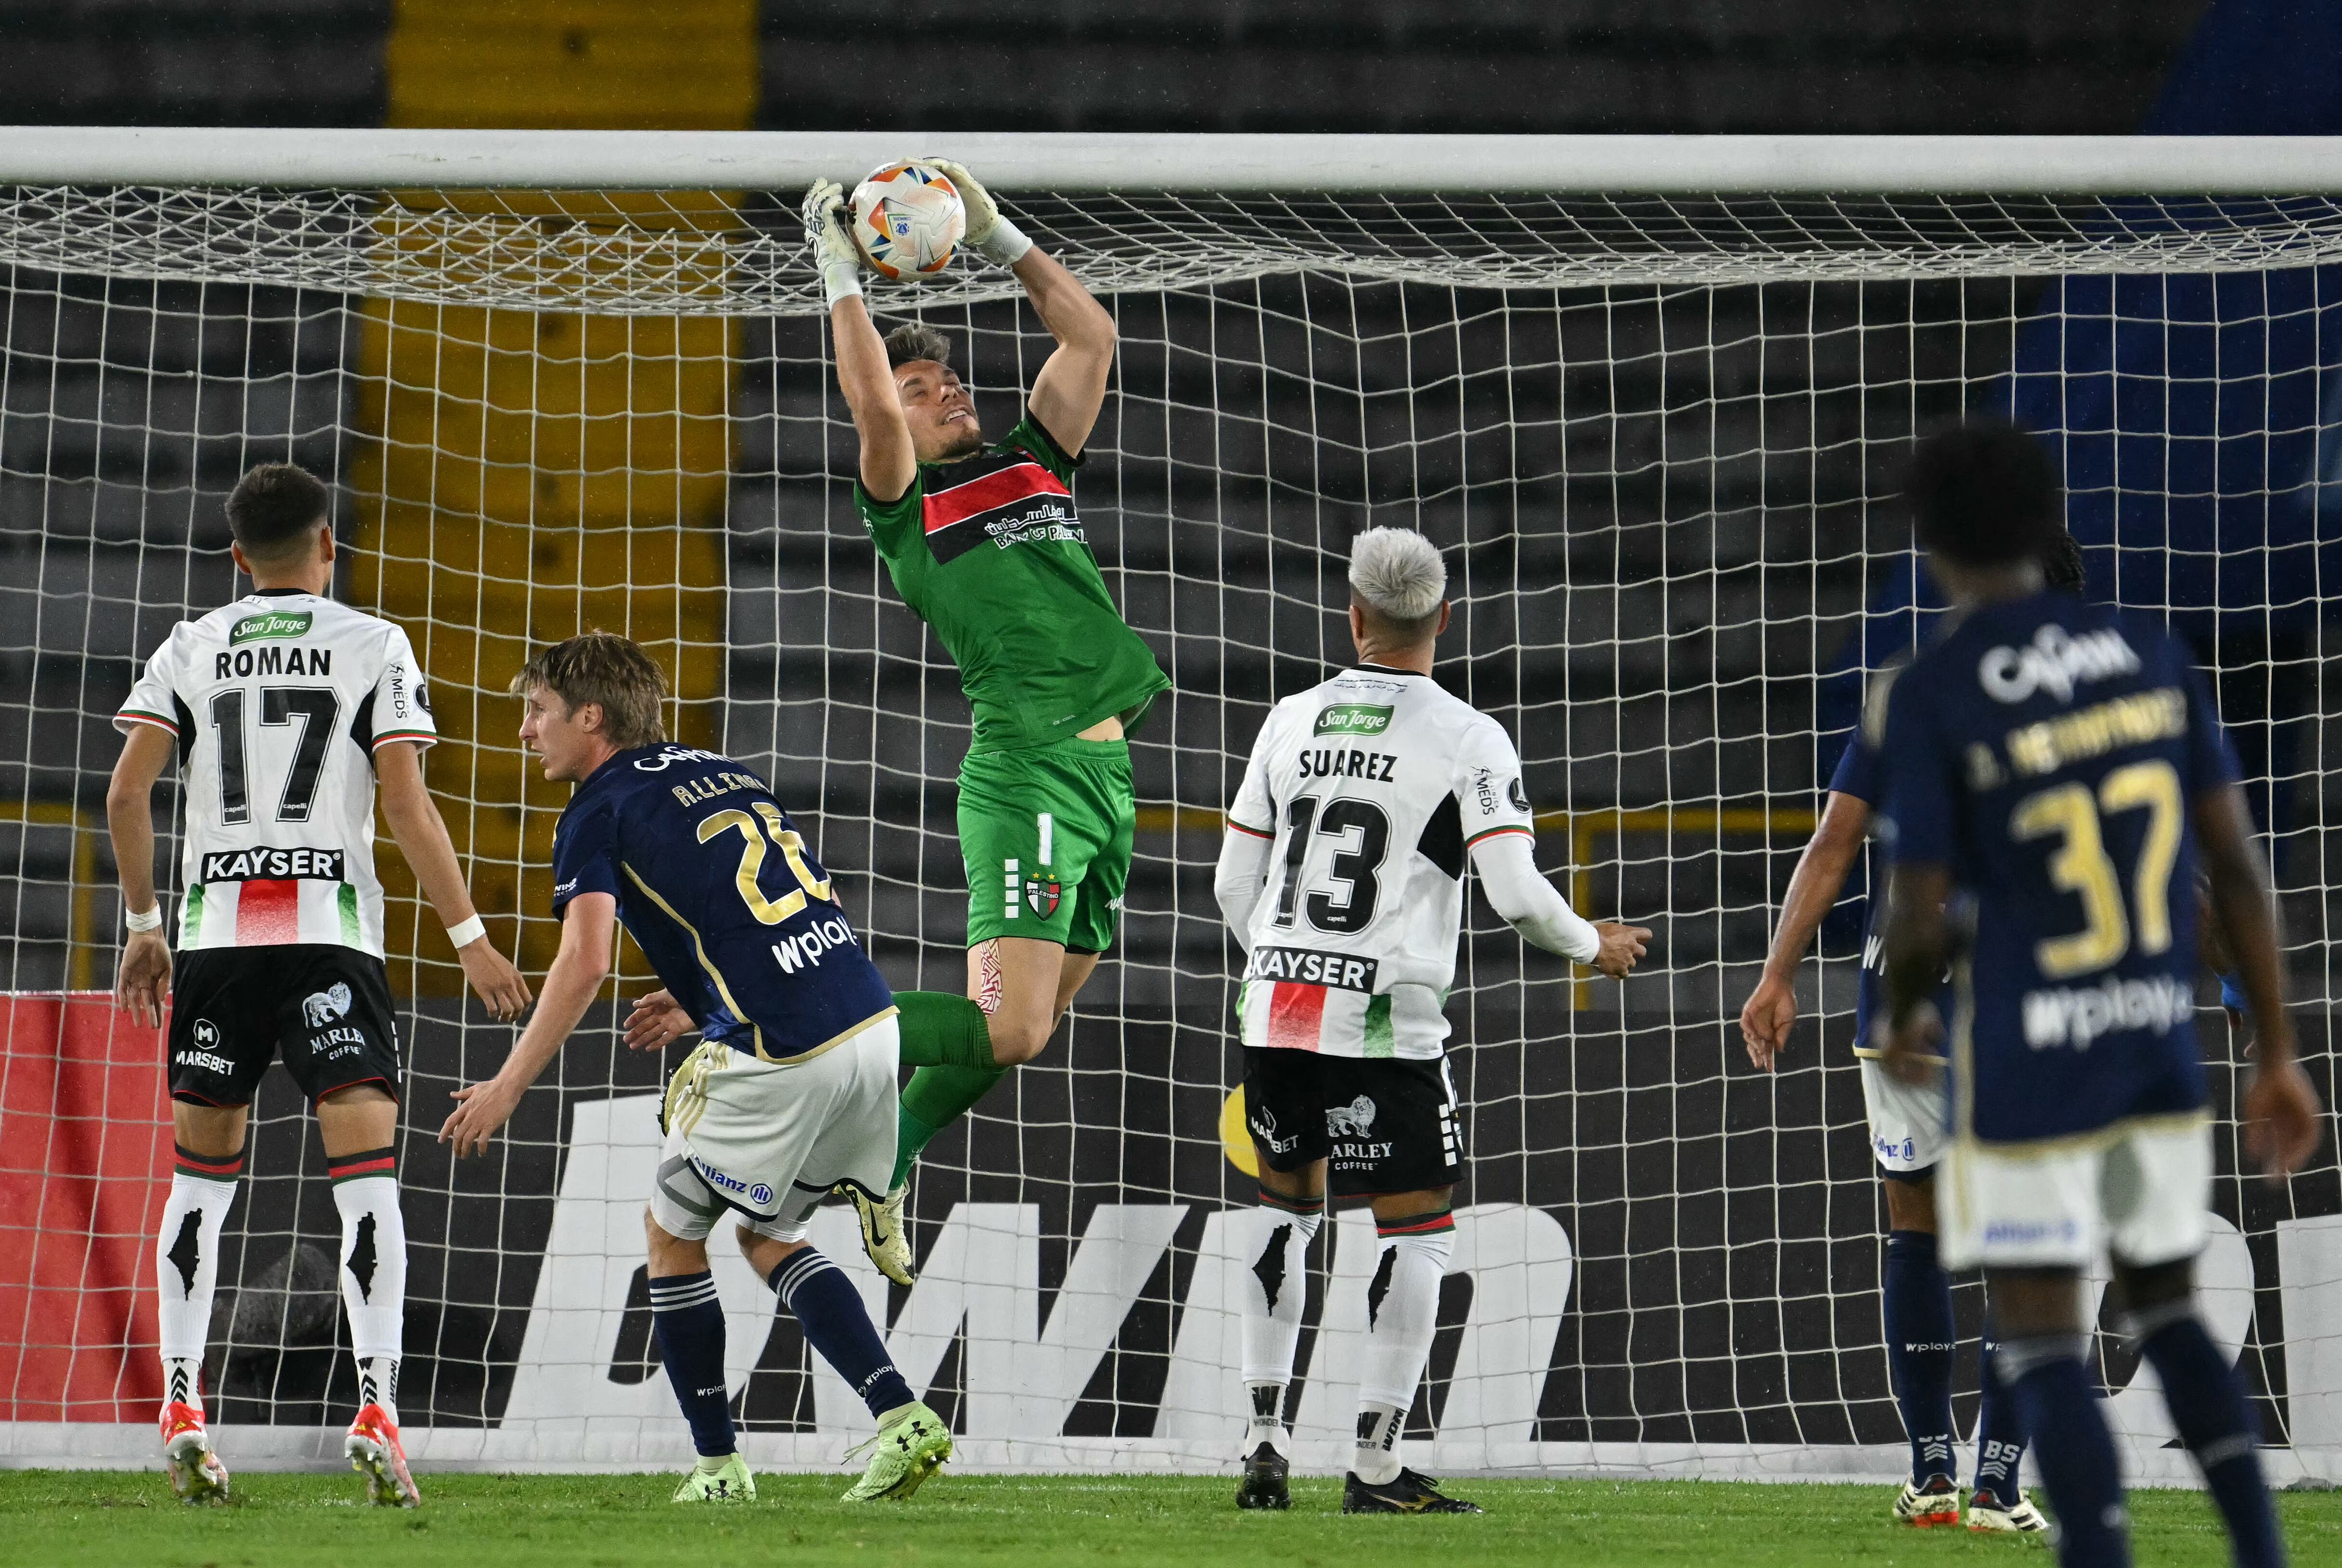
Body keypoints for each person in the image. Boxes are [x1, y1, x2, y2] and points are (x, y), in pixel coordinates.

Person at [1873, 422, 2321, 1568]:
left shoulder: (1933, 690)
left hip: (2028, 1060)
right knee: (2168, 1313)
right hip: (2150, 1046)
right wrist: (2278, 1049)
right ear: (2043, 523)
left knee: (2041, 1338)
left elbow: (1917, 905)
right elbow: (2238, 869)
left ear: (1933, 543)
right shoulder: (2149, 654)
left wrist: (1907, 1012)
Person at [437, 632, 966, 1504]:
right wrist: (698, 1001)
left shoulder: (596, 809)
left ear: (591, 717)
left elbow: (585, 962)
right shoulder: (727, 772)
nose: (525, 730)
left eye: (537, 711)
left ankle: (719, 1468)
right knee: (767, 1235)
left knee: (671, 1234)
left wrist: (508, 1083)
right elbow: (805, 902)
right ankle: (901, 1416)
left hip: (784, 1047)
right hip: (869, 1021)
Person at [107, 462, 532, 1506]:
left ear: (237, 557)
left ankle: (181, 1406)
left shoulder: (190, 645)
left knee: (199, 1186)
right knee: (368, 1184)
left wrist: (146, 927)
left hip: (216, 943)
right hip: (328, 940)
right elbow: (406, 802)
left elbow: (125, 794)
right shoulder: (372, 643)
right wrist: (471, 937)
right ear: (329, 544)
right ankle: (378, 1410)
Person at [1213, 527, 1651, 1514]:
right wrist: (1592, 944)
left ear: (1353, 617)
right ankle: (1374, 1465)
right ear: (1445, 618)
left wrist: (1288, 967)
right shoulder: (1466, 737)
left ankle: (1264, 1444)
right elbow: (1516, 894)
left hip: (1275, 1010)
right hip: (1385, 1025)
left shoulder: (1289, 718)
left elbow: (1233, 885)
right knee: (1415, 1231)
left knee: (1285, 1211)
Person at [802, 161, 1170, 1284]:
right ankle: (780, 1026)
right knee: (1005, 1026)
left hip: (1108, 782)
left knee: (1030, 1027)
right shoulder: (906, 508)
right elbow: (873, 409)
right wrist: (838, 272)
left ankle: (884, 1157)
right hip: (1028, 774)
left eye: (949, 379)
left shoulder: (1032, 462)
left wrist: (999, 230)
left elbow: (1092, 338)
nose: (946, 392)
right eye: (923, 390)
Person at [1738, 528, 2087, 1531]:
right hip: (2018, 1001)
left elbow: (1834, 842)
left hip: (1898, 998)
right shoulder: (2087, 703)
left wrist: (1777, 972)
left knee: (1916, 1230)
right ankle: (1996, 1485)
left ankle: (1931, 1471)